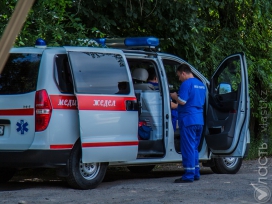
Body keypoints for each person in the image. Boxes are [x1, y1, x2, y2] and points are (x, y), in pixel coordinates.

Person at [170, 63, 206, 183]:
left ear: (183, 73)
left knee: (188, 148)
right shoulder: (201, 84)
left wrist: (175, 96)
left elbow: (183, 101)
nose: (179, 79)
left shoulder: (186, 84)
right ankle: (196, 172)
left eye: (179, 76)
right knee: (194, 148)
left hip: (188, 120)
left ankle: (188, 175)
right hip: (199, 120)